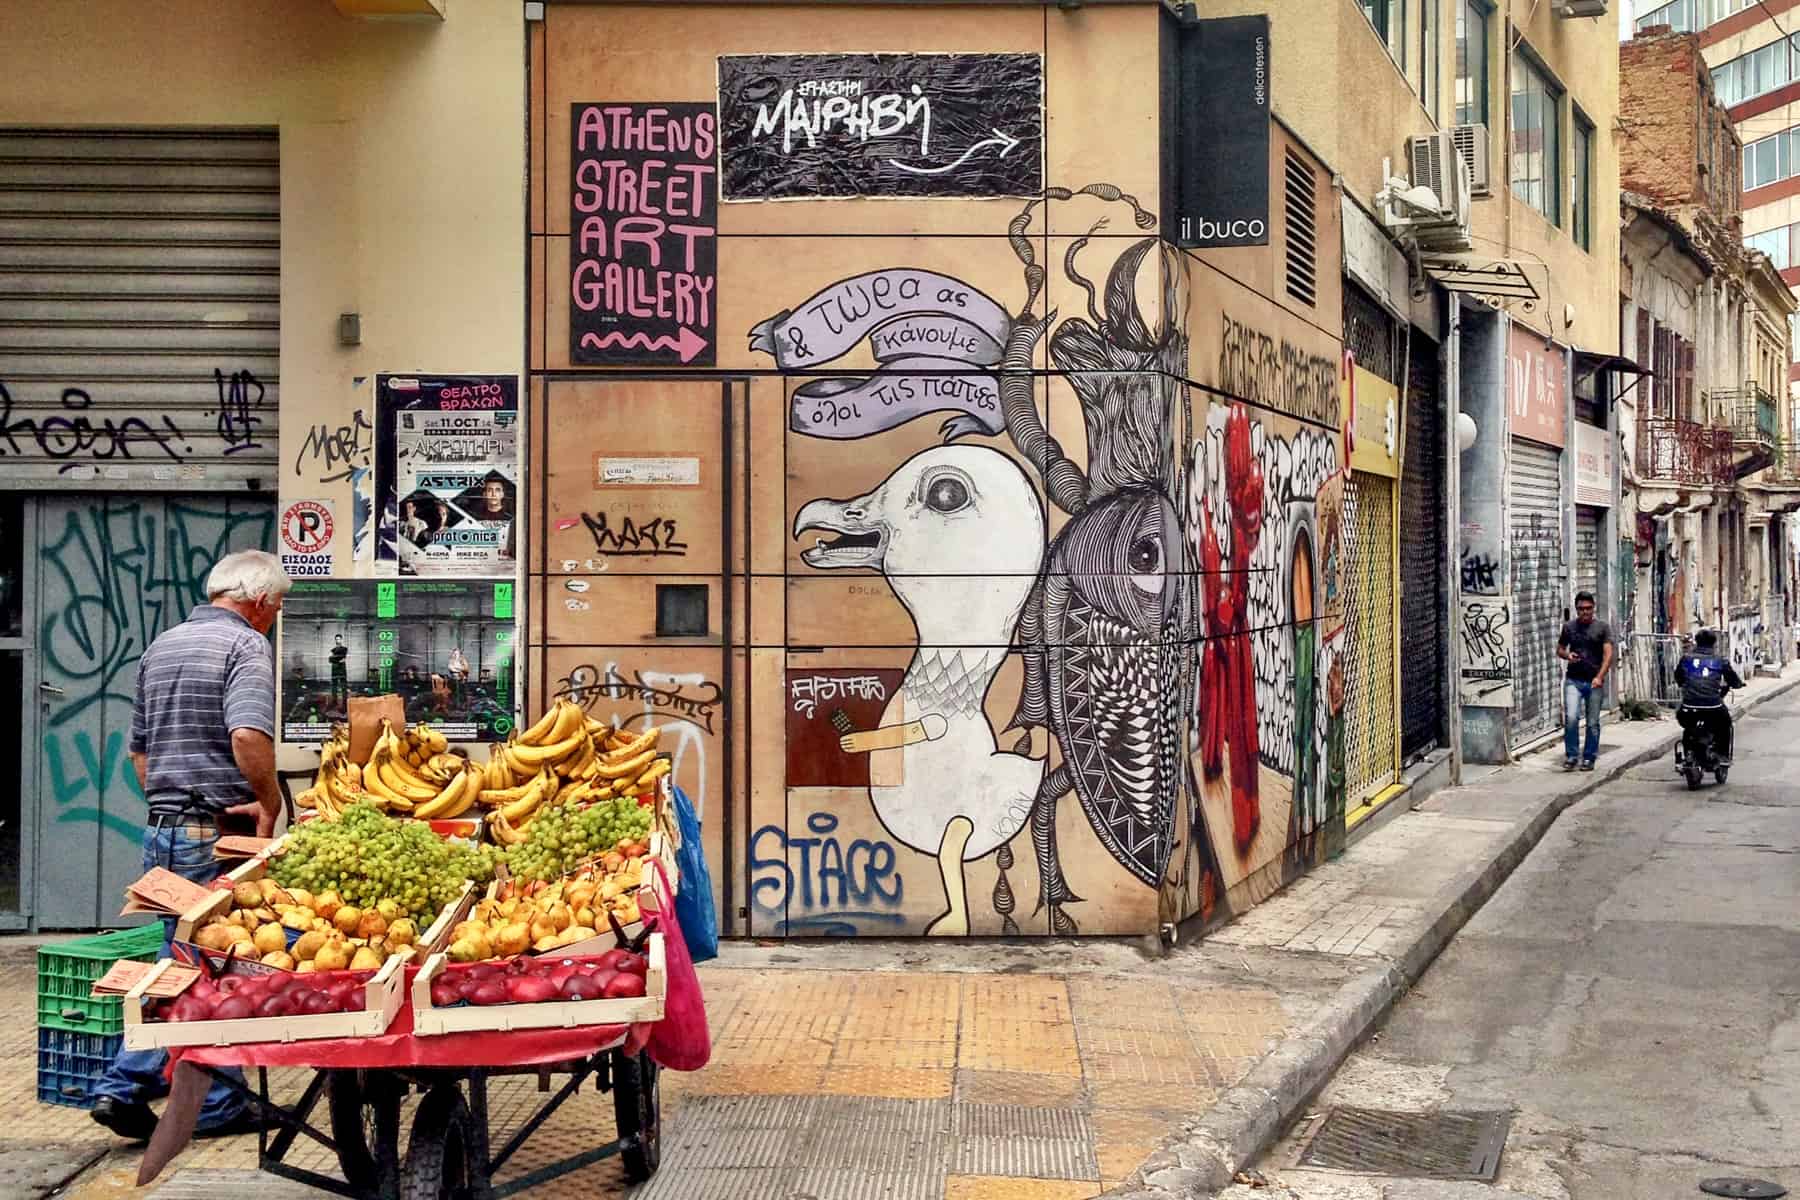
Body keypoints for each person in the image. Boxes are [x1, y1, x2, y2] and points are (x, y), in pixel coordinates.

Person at [91, 549, 291, 1143]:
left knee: (180, 954)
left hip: (164, 828)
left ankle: (175, 1092)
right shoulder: (246, 647)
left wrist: (170, 802)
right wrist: (268, 802)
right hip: (213, 829)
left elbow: (139, 752)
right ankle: (144, 1086)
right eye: (276, 608)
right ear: (258, 602)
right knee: (214, 957)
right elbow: (248, 733)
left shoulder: (163, 645)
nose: (274, 618)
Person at [1557, 591, 1614, 772]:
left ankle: (1589, 757)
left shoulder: (1602, 628)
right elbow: (1559, 649)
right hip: (1573, 680)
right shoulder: (1569, 627)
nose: (1585, 612)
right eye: (1581, 609)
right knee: (1571, 719)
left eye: (1588, 608)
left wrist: (1600, 676)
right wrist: (1567, 655)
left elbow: (1608, 655)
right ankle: (1572, 756)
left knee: (1592, 723)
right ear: (1576, 609)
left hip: (1593, 682)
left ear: (1593, 608)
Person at [1675, 629, 1744, 762]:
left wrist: (1685, 684)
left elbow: (1678, 677)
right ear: (1714, 643)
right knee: (1725, 724)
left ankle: (1688, 752)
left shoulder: (1686, 658)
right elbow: (1732, 679)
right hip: (1713, 707)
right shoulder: (1720, 660)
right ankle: (1722, 755)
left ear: (1697, 642)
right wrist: (1738, 684)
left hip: (1688, 707)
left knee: (1687, 724)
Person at [328, 633, 349, 710]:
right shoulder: (333, 650)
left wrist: (333, 659)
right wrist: (334, 659)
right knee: (334, 687)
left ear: (341, 639)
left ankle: (344, 703)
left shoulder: (344, 649)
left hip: (341, 669)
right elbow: (330, 660)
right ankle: (334, 702)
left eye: (339, 639)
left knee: (344, 687)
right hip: (334, 669)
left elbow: (341, 659)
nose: (338, 640)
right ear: (335, 640)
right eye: (336, 639)